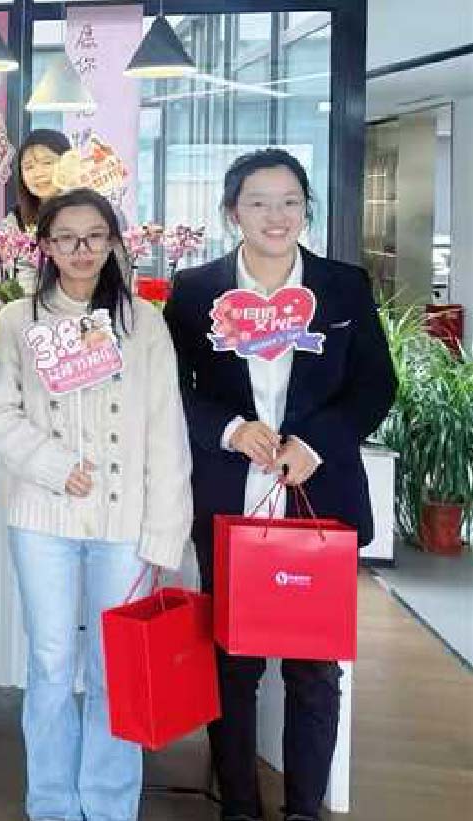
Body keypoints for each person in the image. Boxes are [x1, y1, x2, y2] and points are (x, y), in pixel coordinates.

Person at [163, 149, 396, 821]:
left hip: (318, 499)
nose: (276, 215)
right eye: (259, 201)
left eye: (290, 201)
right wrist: (230, 428)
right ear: (232, 211)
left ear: (306, 209)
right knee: (232, 661)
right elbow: (172, 387)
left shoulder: (343, 286)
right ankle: (238, 805)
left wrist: (315, 442)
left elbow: (375, 384)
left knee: (313, 666)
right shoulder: (196, 288)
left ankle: (303, 809)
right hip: (229, 498)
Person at [0, 187, 193, 821]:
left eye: (95, 236)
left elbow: (166, 431)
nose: (81, 250)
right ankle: (50, 804)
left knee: (114, 668)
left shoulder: (144, 323)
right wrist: (54, 465)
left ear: (114, 243)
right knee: (49, 663)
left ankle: (108, 803)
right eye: (65, 238)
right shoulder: (19, 321)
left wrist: (165, 531)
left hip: (123, 522)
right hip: (43, 519)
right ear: (45, 246)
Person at [1, 130, 72, 293]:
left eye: (47, 163)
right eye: (29, 167)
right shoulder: (15, 221)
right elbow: (19, 280)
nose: (38, 173)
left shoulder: (94, 214)